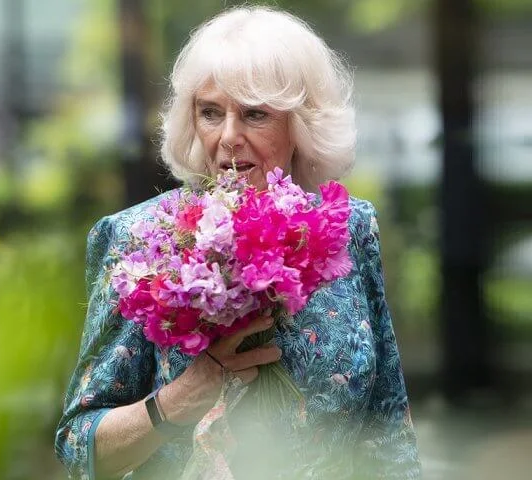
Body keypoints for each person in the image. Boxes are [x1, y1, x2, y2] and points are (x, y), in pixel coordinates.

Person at [56, 6, 421, 479]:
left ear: (301, 125)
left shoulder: (346, 229)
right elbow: (78, 446)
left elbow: (387, 426)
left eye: (254, 114)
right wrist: (176, 402)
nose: (229, 136)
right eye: (211, 113)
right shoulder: (139, 240)